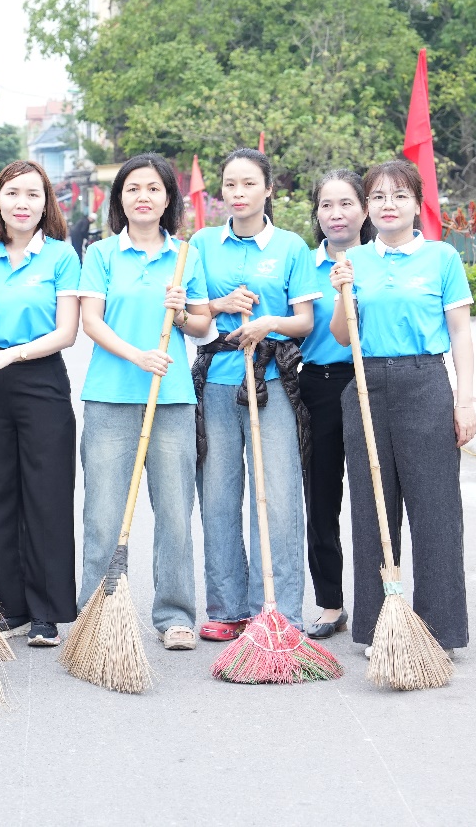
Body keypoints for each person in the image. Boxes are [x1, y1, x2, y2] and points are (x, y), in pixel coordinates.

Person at [329, 159, 476, 655]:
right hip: (367, 385)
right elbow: (343, 336)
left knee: (435, 510)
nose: (387, 205)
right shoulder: (354, 261)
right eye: (377, 197)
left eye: (398, 196)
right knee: (372, 514)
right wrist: (340, 291)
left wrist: (464, 401)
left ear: (417, 203)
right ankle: (377, 628)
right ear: (368, 208)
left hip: (425, 382)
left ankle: (441, 630)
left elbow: (460, 334)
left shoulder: (442, 259)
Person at [77, 155, 213, 651]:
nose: (143, 197)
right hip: (110, 398)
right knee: (104, 513)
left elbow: (203, 327)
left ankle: (175, 615)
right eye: (133, 188)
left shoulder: (185, 257)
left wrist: (180, 314)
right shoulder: (102, 255)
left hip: (172, 401)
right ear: (119, 200)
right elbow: (92, 321)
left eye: (153, 189)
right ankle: (99, 611)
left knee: (175, 511)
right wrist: (138, 356)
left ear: (168, 198)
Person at [189, 148, 320, 641]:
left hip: (273, 384)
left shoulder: (291, 247)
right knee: (219, 497)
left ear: (268, 190)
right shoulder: (201, 244)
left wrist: (268, 322)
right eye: (229, 185)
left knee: (278, 497)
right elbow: (192, 316)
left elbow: (305, 322)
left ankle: (281, 612)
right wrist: (220, 304)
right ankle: (226, 609)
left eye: (248, 184)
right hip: (218, 381)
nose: (238, 193)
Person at [0, 159, 82, 647]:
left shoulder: (60, 257)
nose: (22, 203)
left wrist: (9, 355)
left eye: (32, 194)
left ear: (45, 203)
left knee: (46, 494)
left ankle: (45, 611)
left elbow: (67, 333)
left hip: (40, 380)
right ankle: (2, 605)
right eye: (12, 194)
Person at [300, 170, 373, 640]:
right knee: (321, 500)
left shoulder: (380, 260)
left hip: (369, 384)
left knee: (374, 499)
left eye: (346, 203)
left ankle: (381, 602)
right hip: (318, 387)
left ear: (364, 209)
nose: (336, 214)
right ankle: (330, 604)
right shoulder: (303, 264)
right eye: (327, 205)